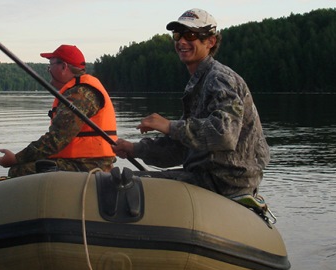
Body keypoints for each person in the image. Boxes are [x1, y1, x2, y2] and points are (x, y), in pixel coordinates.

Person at [112, 8, 270, 198]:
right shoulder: (200, 81)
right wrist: (134, 149)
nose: (181, 41)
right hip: (205, 177)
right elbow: (181, 149)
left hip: (226, 184)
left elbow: (225, 134)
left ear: (211, 41)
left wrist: (170, 126)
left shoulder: (220, 78)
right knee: (122, 180)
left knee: (124, 187)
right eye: (178, 35)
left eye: (191, 35)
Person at [0, 44, 117, 177]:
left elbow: (56, 139)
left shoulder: (80, 94)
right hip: (83, 162)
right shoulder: (79, 91)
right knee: (30, 165)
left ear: (64, 67)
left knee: (18, 170)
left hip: (89, 165)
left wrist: (17, 159)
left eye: (50, 65)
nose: (48, 70)